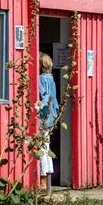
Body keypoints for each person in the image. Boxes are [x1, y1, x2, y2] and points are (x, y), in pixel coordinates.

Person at [38, 53, 59, 190]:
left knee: (41, 148)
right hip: (51, 116)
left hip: (42, 115)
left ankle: (43, 180)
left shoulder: (40, 79)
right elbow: (54, 100)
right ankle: (48, 180)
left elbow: (43, 98)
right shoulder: (51, 79)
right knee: (46, 147)